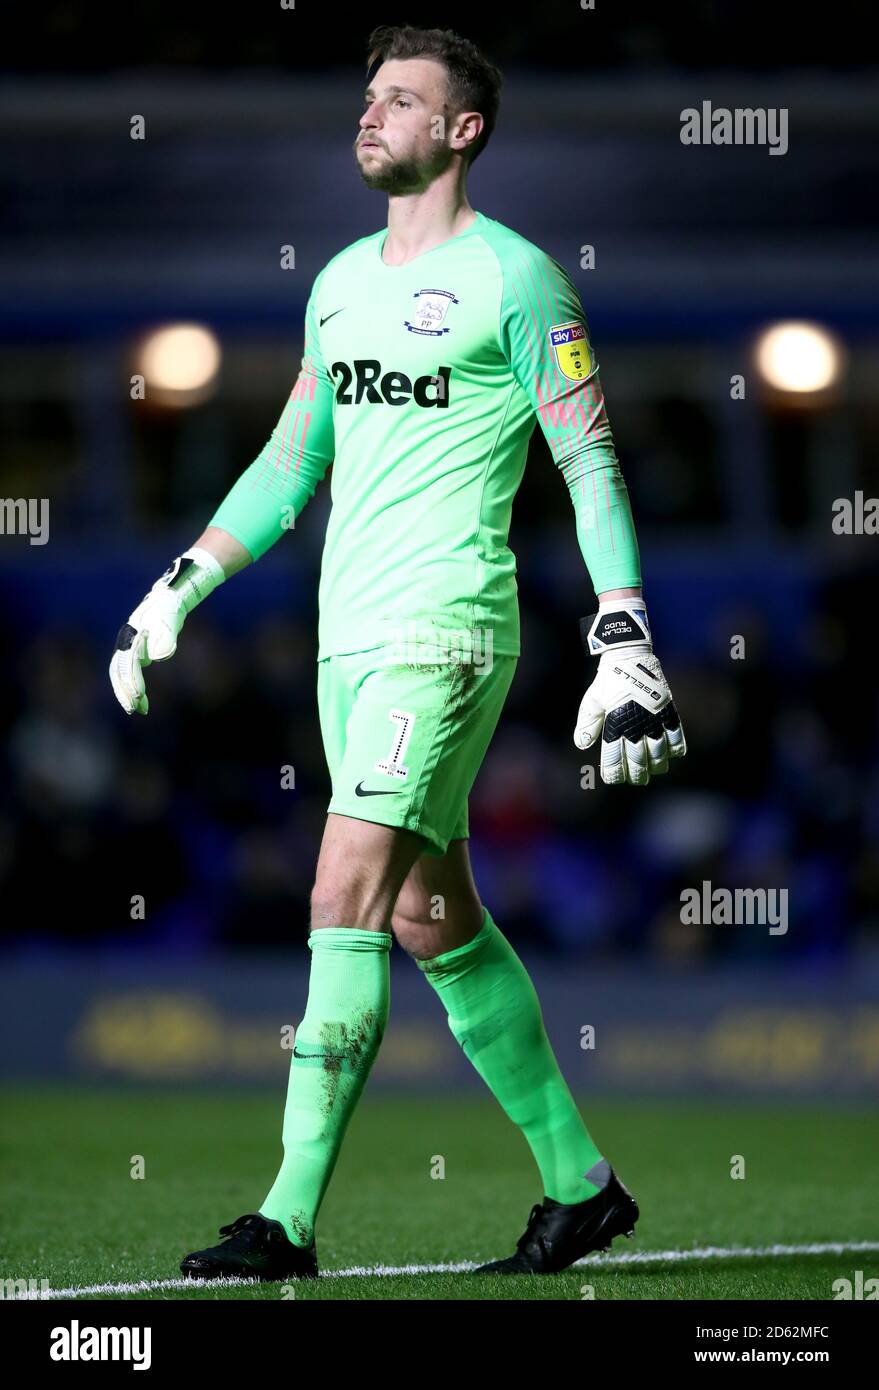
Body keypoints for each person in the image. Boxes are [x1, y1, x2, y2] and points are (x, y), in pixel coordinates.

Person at [110, 23, 686, 1280]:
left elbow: (587, 456)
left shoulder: (519, 280)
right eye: (368, 97)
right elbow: (290, 457)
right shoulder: (338, 280)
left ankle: (286, 1218)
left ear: (462, 129)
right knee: (430, 919)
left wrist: (624, 626)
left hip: (445, 630)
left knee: (341, 897)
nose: (370, 115)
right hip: (346, 642)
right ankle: (580, 1185)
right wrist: (184, 581)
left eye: (401, 100)